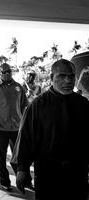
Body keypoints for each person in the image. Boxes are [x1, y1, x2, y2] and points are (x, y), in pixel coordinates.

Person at [11, 59, 89, 200]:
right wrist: (22, 169)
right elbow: (26, 138)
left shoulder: (83, 105)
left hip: (77, 174)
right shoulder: (37, 106)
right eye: (61, 76)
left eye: (71, 76)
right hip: (48, 174)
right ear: (51, 78)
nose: (67, 81)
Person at [0, 63, 32, 192]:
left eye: (9, 71)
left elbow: (24, 106)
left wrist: (23, 124)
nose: (7, 73)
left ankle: (24, 180)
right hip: (0, 128)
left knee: (21, 156)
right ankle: (5, 182)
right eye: (4, 72)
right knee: (0, 157)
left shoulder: (18, 87)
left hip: (17, 128)